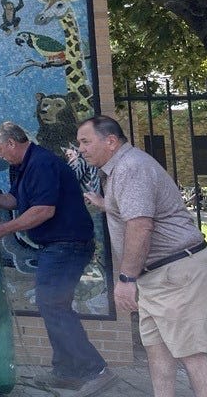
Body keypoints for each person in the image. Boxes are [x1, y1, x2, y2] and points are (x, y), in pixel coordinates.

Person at [0, 121, 116, 394]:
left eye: (0, 149)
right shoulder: (20, 165)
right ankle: (67, 372)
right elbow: (15, 201)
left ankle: (96, 370)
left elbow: (43, 210)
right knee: (53, 304)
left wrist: (2, 229)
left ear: (11, 143)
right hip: (56, 245)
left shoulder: (42, 163)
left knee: (51, 302)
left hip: (68, 244)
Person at [77, 115, 207, 397]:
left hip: (174, 273)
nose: (81, 149)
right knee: (157, 351)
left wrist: (126, 278)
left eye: (86, 142)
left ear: (110, 141)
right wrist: (106, 204)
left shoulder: (130, 168)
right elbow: (132, 210)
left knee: (192, 353)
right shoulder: (121, 168)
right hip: (158, 276)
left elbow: (140, 224)